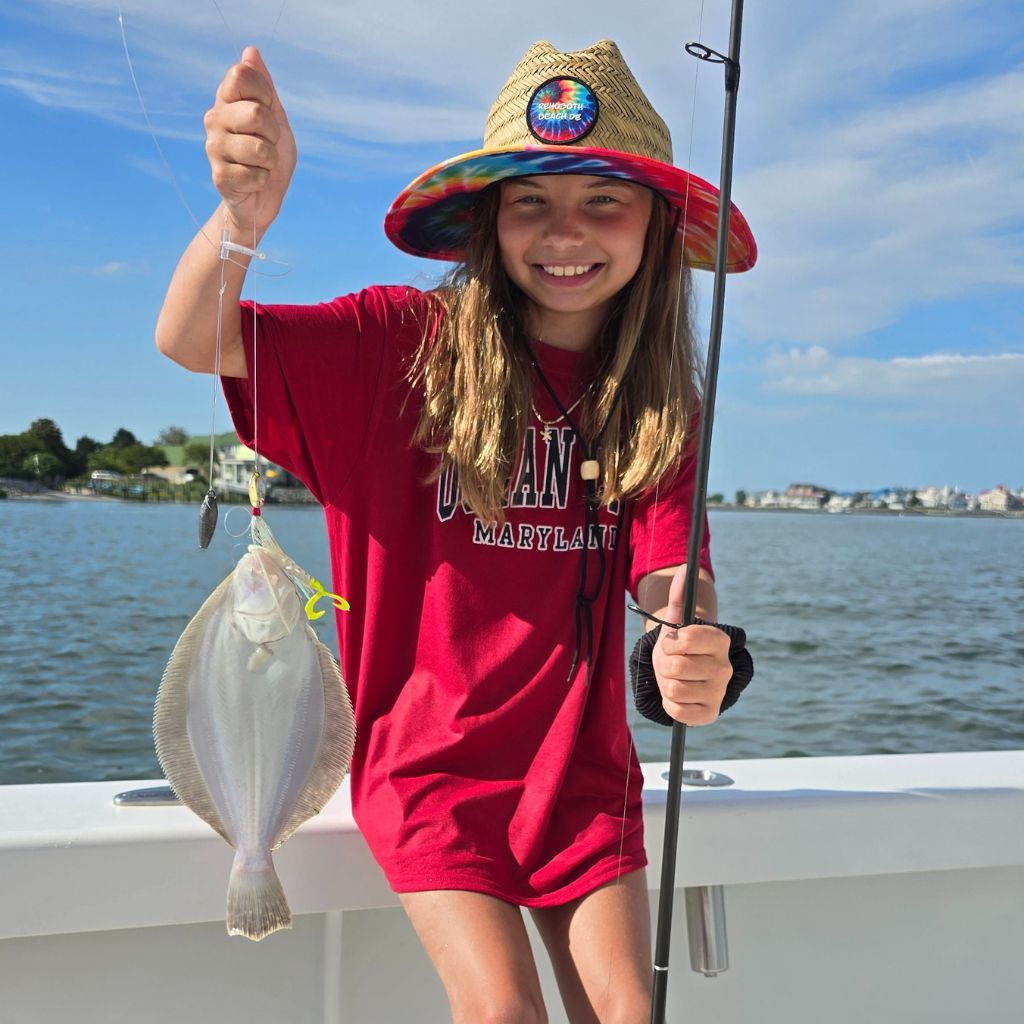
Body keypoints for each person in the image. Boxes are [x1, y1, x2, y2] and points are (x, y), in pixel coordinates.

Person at [156, 37, 755, 1024]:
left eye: (603, 198)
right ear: (489, 219)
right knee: (502, 1010)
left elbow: (670, 574)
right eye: (532, 200)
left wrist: (697, 647)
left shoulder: (660, 405)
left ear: (654, 221)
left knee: (627, 1012)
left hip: (580, 769)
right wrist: (242, 217)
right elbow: (193, 339)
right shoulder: (392, 347)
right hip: (427, 768)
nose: (567, 231)